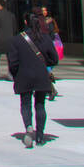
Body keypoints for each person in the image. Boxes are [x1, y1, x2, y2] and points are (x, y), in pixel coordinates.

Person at [8, 11, 59, 147]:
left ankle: (29, 127)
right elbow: (54, 59)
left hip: (24, 76)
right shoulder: (46, 38)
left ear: (25, 23)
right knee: (40, 105)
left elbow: (13, 63)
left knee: (25, 104)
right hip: (41, 76)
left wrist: (16, 74)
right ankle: (40, 135)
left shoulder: (16, 40)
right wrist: (44, 65)